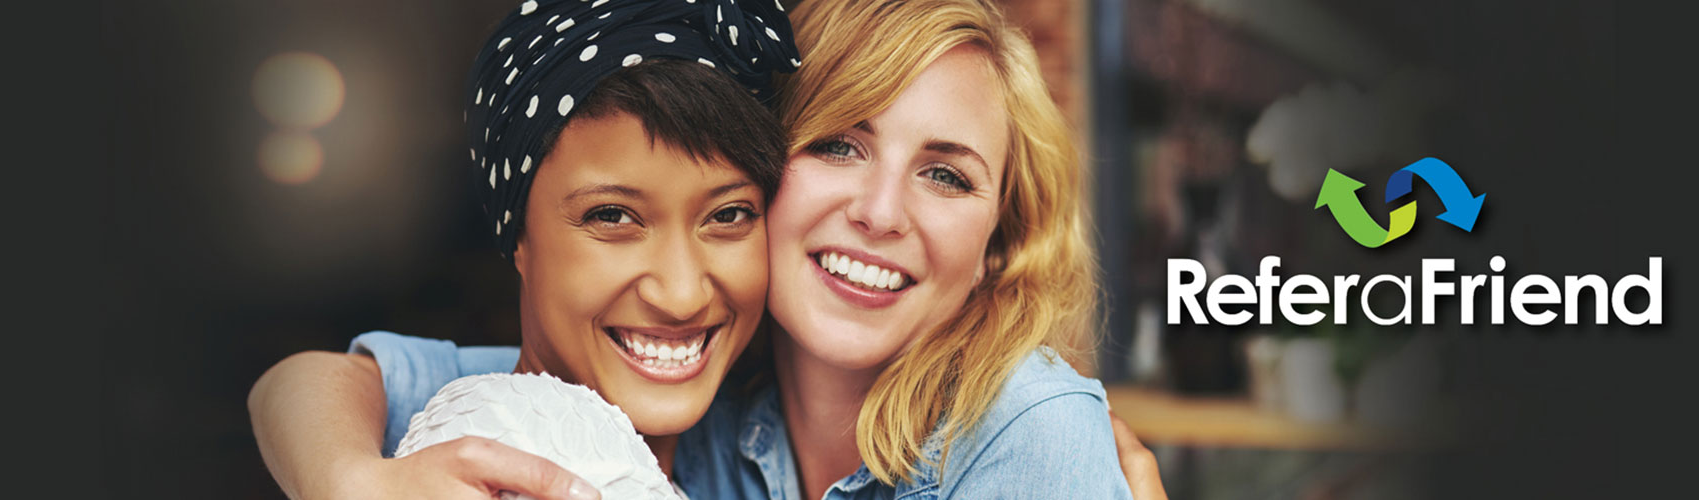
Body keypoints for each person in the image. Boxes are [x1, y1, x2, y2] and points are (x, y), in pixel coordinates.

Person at [251, 0, 1169, 498]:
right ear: (772, 176)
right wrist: (349, 479)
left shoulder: (1024, 429)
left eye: (947, 175)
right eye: (840, 145)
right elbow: (321, 380)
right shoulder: (703, 407)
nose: (882, 212)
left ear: (999, 243)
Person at [247, 1, 798, 498]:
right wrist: (354, 484)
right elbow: (298, 383)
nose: (681, 296)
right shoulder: (490, 438)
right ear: (517, 238)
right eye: (611, 216)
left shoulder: (760, 436)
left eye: (728, 215)